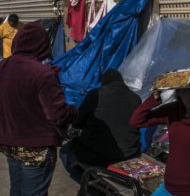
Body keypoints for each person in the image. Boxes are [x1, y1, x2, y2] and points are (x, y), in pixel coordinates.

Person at [0, 22, 78, 196]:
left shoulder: (3, 67)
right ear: (42, 44)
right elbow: (58, 114)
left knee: (17, 190)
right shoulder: (43, 73)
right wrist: (75, 111)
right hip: (37, 148)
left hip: (10, 143)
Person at [130, 69, 190, 196]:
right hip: (169, 186)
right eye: (187, 91)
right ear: (179, 93)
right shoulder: (173, 112)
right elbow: (136, 121)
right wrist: (155, 96)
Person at [60, 69, 142, 181]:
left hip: (99, 156)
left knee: (65, 150)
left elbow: (78, 122)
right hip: (130, 153)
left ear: (104, 82)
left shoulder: (95, 94)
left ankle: (87, 183)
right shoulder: (136, 98)